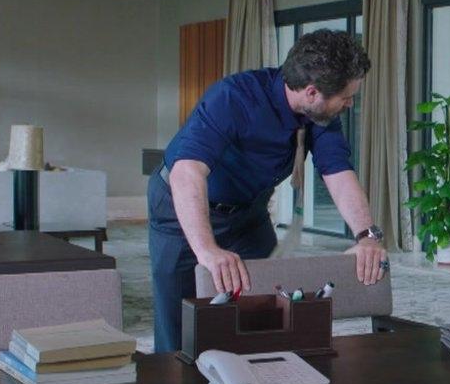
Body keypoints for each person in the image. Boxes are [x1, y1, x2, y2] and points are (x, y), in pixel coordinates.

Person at [148, 29, 389, 353]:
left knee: (263, 305)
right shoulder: (233, 97)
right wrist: (207, 250)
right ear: (312, 92)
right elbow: (187, 173)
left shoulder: (320, 114)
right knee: (178, 322)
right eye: (346, 96)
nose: (350, 103)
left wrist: (366, 236)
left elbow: (338, 171)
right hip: (180, 207)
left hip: (247, 211)